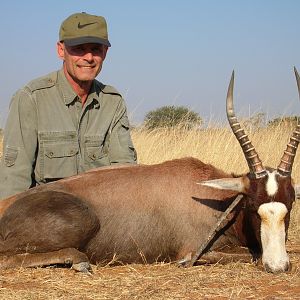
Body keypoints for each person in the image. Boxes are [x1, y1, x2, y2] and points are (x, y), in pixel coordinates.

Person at [0, 12, 137, 200]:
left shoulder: (113, 102)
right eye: (79, 48)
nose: (89, 57)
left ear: (105, 52)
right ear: (61, 50)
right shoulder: (31, 99)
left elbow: (125, 173)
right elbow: (14, 179)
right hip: (44, 216)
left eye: (96, 49)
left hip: (102, 219)